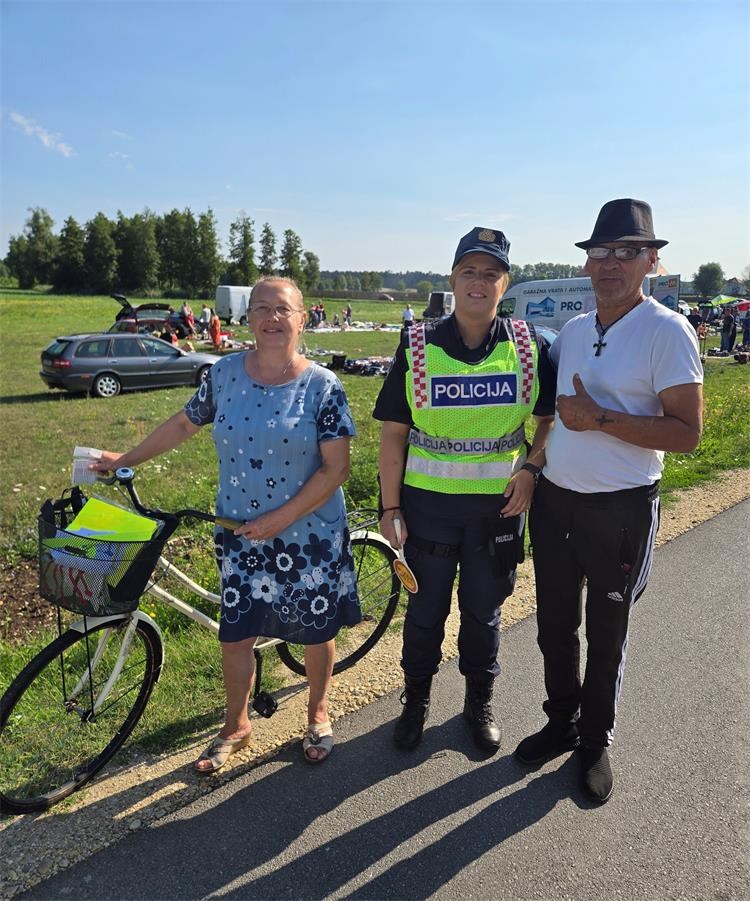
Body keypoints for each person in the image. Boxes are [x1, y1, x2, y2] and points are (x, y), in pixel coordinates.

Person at [91, 276, 362, 771]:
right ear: (248, 317)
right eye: (261, 308)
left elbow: (336, 469)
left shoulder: (323, 386)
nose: (272, 317)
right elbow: (183, 423)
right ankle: (236, 725)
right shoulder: (224, 375)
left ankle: (318, 711)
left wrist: (280, 518)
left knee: (314, 628)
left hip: (308, 535)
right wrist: (125, 458)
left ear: (303, 319)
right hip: (239, 533)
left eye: (283, 309)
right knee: (235, 634)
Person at [514, 199, 703, 804]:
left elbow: (687, 434)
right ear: (587, 263)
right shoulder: (573, 331)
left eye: (627, 251)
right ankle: (562, 720)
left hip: (621, 509)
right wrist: (534, 464)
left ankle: (595, 740)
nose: (611, 263)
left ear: (651, 261)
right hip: (556, 503)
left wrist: (599, 418)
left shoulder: (668, 331)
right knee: (554, 623)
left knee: (607, 630)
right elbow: (551, 415)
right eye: (601, 252)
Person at [374, 227, 556, 753]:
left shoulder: (529, 346)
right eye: (469, 271)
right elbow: (393, 435)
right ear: (453, 279)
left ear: (505, 283)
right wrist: (389, 507)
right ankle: (416, 700)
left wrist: (533, 469)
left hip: (497, 514)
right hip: (427, 511)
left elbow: (550, 420)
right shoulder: (417, 346)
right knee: (424, 614)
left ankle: (479, 701)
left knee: (483, 613)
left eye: (491, 273)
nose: (479, 281)